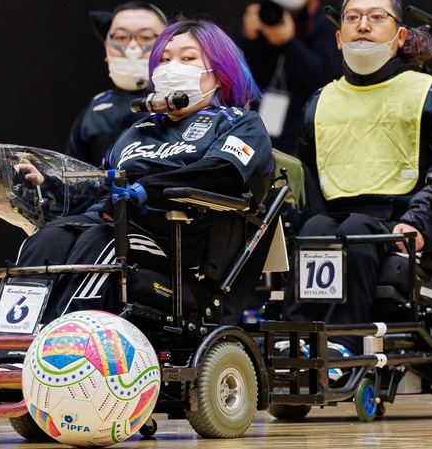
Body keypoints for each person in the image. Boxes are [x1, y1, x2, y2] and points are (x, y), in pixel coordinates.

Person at [15, 18, 273, 324]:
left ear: (219, 73)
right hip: (116, 226)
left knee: (100, 242)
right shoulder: (140, 128)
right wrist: (51, 185)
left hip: (176, 248)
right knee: (48, 238)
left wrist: (143, 190)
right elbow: (102, 185)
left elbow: (221, 172)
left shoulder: (239, 122)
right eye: (164, 59)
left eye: (188, 58)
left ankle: (63, 343)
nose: (171, 66)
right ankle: (11, 346)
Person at [283, 0, 432, 352]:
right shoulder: (319, 103)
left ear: (400, 35)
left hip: (400, 221)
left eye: (376, 17)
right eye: (352, 18)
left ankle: (345, 344)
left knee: (356, 232)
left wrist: (419, 223)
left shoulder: (430, 95)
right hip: (337, 217)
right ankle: (297, 341)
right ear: (338, 38)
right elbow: (308, 178)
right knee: (313, 230)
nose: (363, 25)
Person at [235, 0, 342, 155]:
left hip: (308, 136)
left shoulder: (326, 25)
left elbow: (326, 80)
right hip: (258, 136)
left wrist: (288, 42)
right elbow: (237, 78)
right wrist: (247, 38)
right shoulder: (260, 19)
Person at [66, 1, 168, 166]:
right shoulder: (95, 113)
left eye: (146, 38)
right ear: (107, 47)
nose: (132, 48)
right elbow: (74, 180)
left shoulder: (187, 103)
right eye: (121, 37)